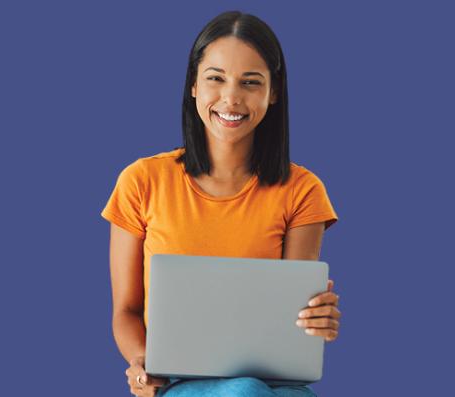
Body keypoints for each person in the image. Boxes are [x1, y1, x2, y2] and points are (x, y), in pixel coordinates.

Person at [101, 10, 341, 397]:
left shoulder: (302, 190)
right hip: (180, 381)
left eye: (250, 82)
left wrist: (316, 322)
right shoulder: (142, 181)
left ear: (273, 92)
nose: (231, 98)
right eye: (216, 78)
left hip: (277, 384)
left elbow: (290, 322)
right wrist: (144, 364)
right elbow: (126, 312)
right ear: (193, 85)